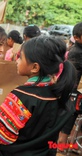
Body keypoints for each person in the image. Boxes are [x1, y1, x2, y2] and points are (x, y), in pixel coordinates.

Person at [0, 36, 76, 156]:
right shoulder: (62, 95)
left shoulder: (22, 97)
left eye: (20, 57)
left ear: (35, 67)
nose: (16, 61)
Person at [58, 22, 82, 153]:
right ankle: (61, 149)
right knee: (66, 127)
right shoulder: (76, 52)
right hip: (73, 95)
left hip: (76, 94)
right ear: (77, 38)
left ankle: (71, 146)